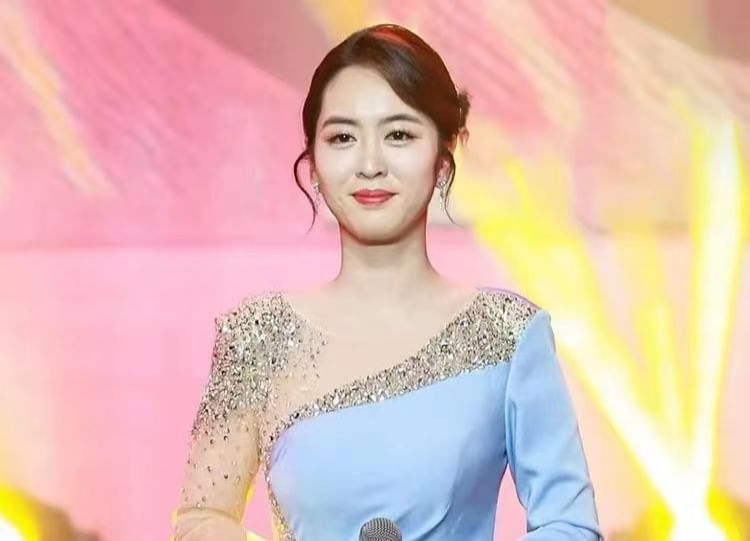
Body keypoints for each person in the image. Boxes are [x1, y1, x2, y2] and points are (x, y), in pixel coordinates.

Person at [173, 23, 602, 541]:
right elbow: (203, 517)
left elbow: (569, 525)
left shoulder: (507, 335)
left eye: (398, 134)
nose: (370, 165)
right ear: (313, 163)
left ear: (443, 157)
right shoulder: (257, 337)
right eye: (343, 137)